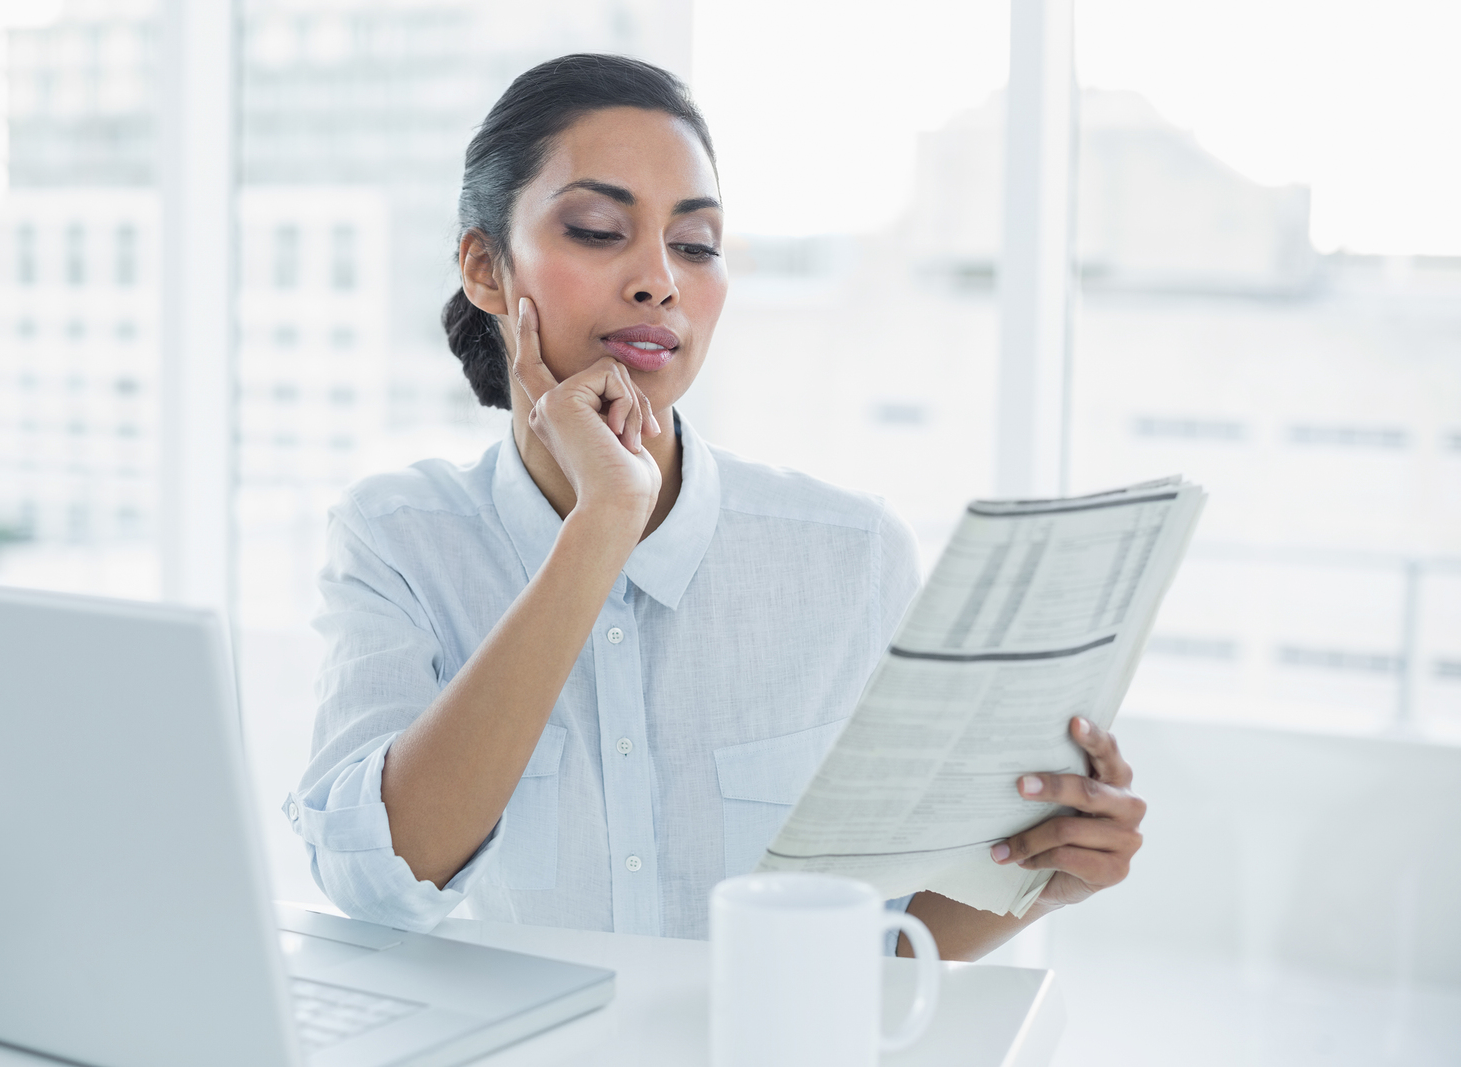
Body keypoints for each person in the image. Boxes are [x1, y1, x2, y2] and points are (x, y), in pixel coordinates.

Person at [285, 53, 1146, 961]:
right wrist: (601, 526)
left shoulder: (853, 555)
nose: (659, 277)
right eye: (595, 228)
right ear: (485, 268)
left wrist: (1039, 876)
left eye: (696, 245)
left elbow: (883, 942)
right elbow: (380, 881)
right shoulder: (397, 539)